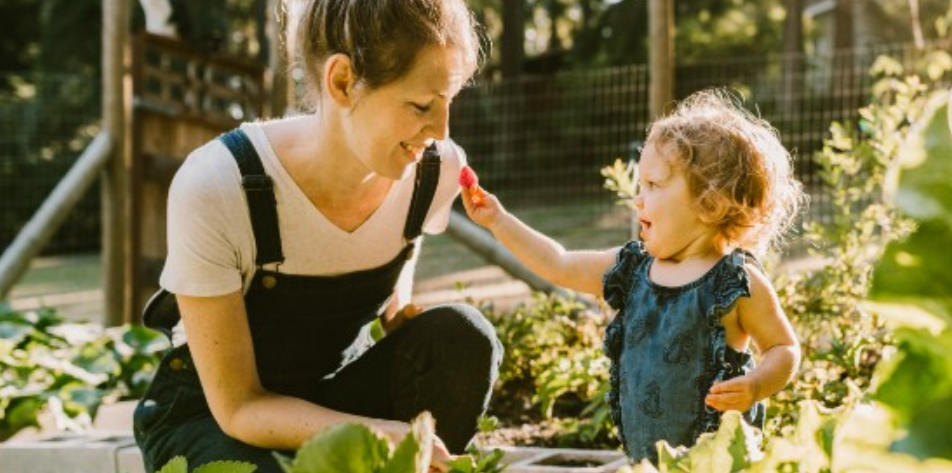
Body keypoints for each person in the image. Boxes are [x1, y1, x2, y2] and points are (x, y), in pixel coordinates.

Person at [132, 1, 502, 472]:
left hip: (331, 394)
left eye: (449, 101)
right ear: (343, 82)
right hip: (216, 422)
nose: (441, 129)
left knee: (462, 336)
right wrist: (374, 433)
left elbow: (397, 246)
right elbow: (239, 407)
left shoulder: (434, 170)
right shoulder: (218, 185)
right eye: (421, 106)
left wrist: (396, 313)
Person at [461, 89, 804, 464]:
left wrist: (756, 385)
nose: (638, 199)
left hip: (716, 461)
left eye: (654, 185)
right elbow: (558, 264)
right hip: (645, 460)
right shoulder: (632, 269)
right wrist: (498, 220)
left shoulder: (736, 283)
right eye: (640, 185)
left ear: (710, 203)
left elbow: (783, 349)